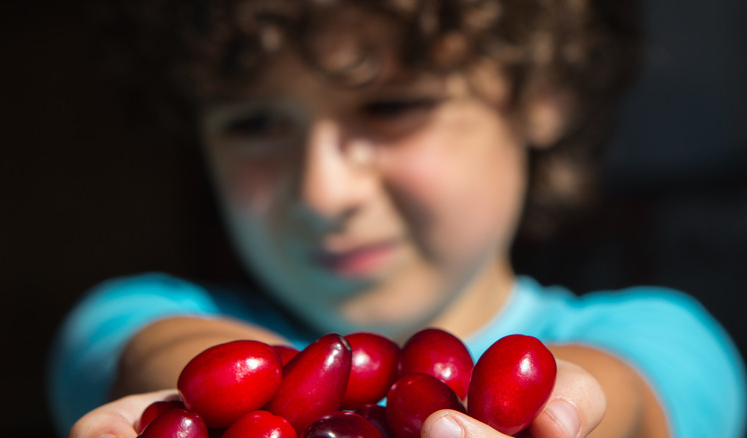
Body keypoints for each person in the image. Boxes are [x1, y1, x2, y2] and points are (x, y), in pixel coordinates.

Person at [50, 1, 746, 437]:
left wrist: (560, 413)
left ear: (543, 94)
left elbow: (632, 399)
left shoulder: (662, 333)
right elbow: (149, 348)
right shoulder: (138, 311)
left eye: (392, 106)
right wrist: (222, 403)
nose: (324, 192)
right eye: (253, 122)